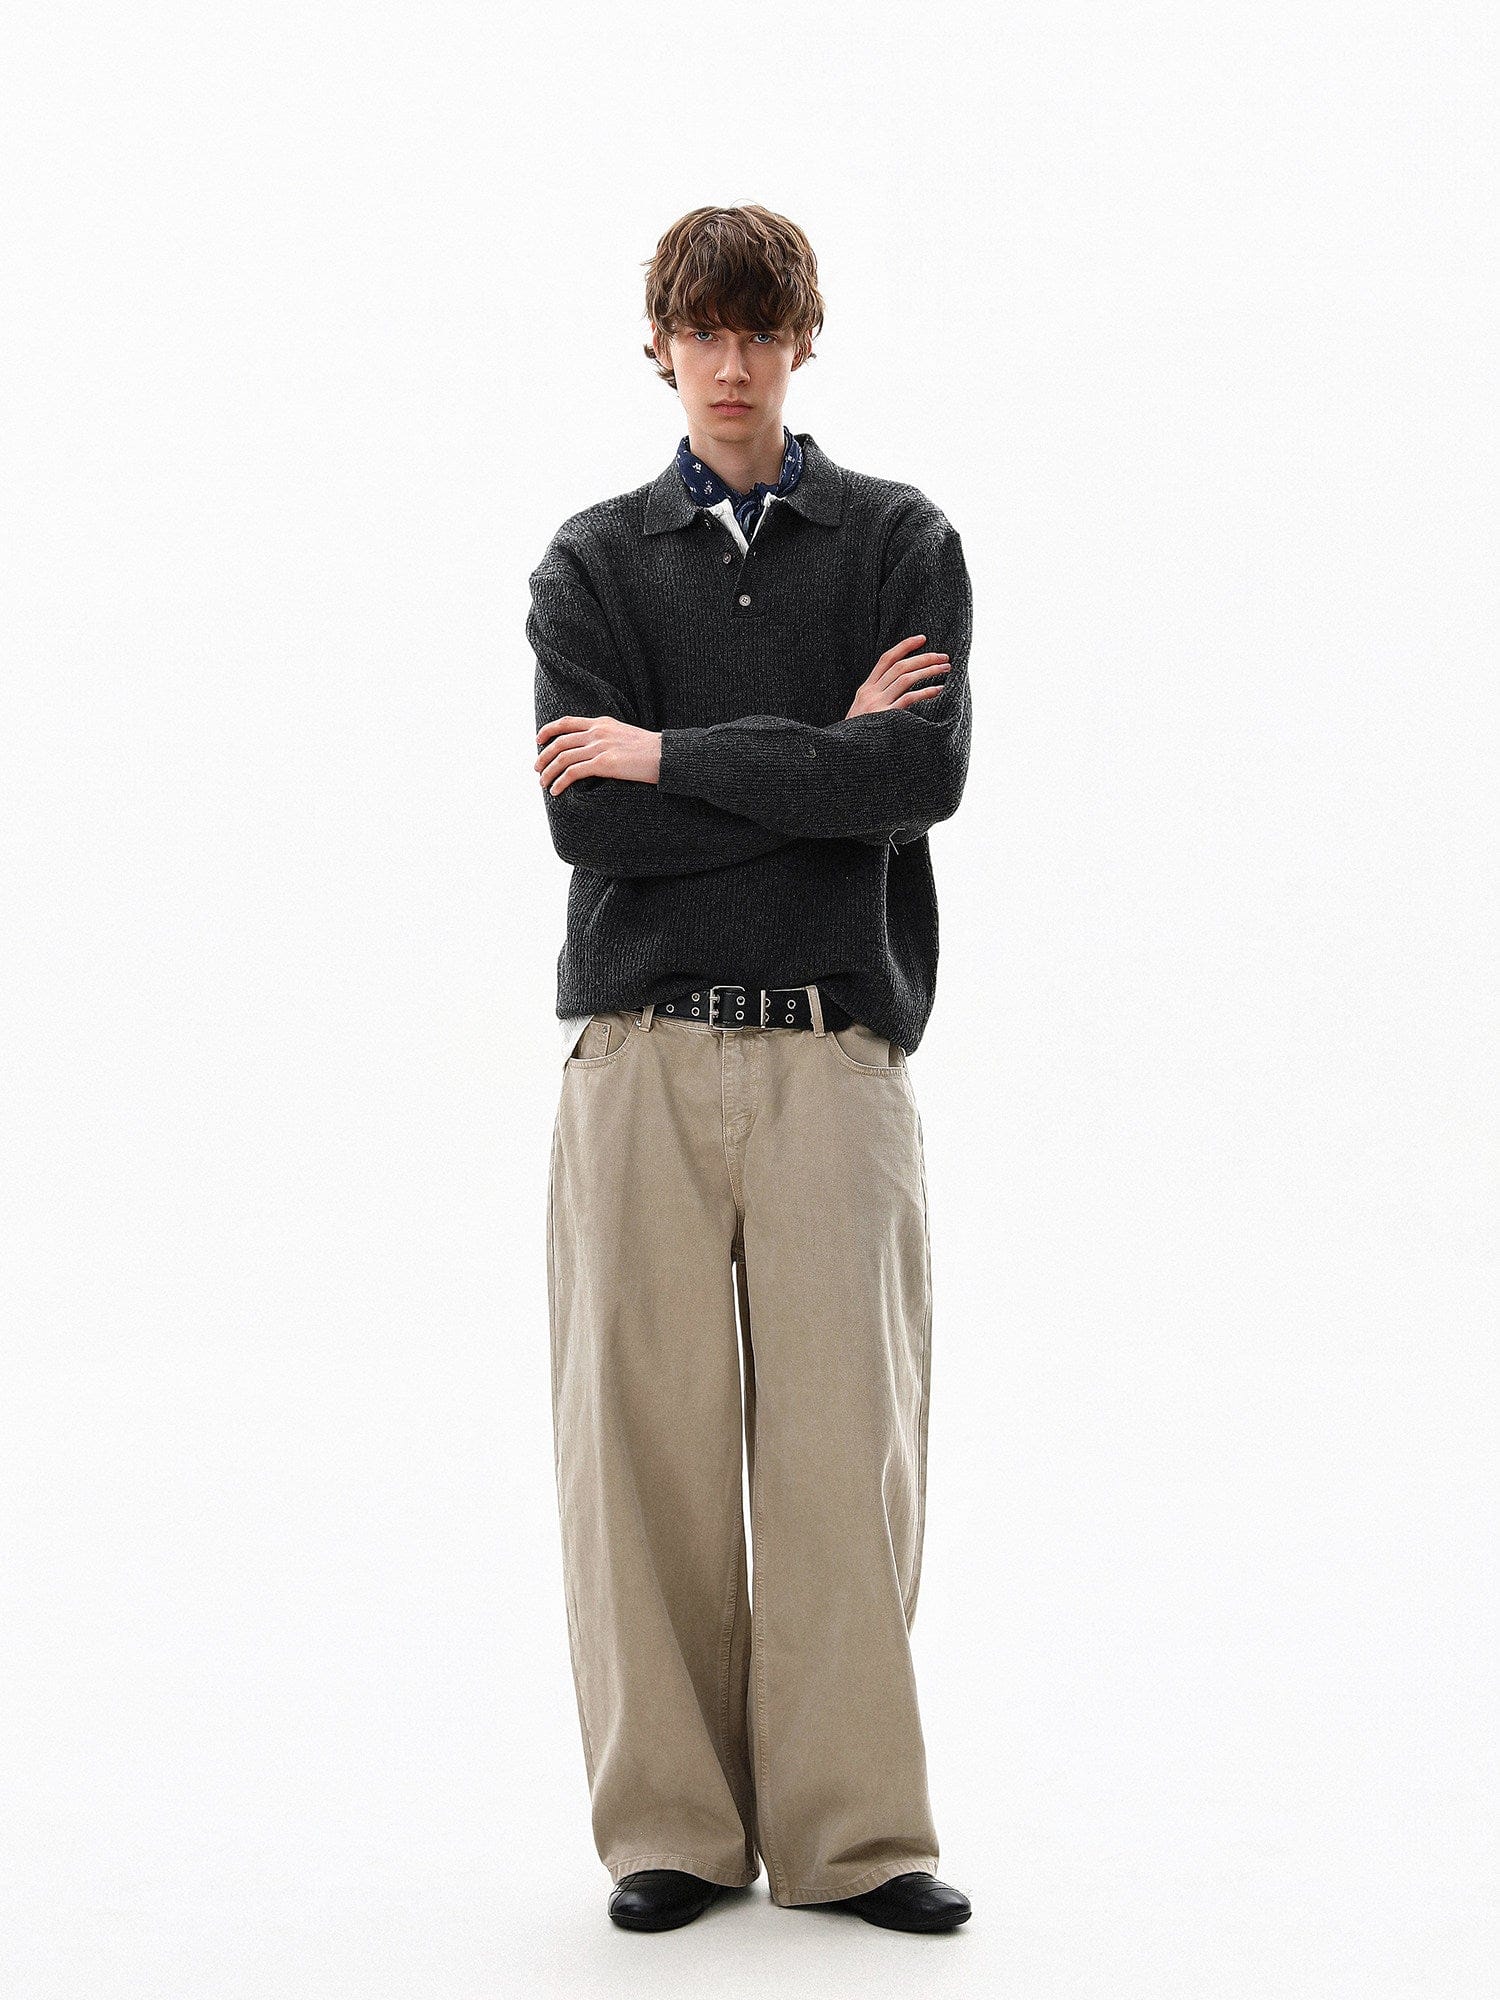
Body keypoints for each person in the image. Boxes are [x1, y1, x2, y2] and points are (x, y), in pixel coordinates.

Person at [529, 203, 974, 1934]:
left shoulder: (898, 541)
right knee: (637, 1446)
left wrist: (670, 755)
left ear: (803, 341)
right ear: (659, 346)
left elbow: (916, 777)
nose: (730, 363)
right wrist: (813, 763)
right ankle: (671, 1832)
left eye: (758, 330)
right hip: (639, 1055)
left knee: (847, 1449)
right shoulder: (592, 563)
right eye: (701, 332)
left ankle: (855, 1836)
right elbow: (590, 822)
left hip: (832, 1054)